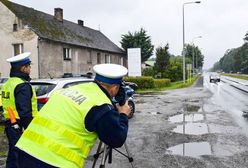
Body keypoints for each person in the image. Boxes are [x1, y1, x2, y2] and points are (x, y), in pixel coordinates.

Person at [16, 63, 131, 168]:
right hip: (56, 162)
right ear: (115, 88)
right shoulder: (101, 105)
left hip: (24, 150)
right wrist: (123, 114)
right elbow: (117, 139)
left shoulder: (71, 89)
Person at [1, 52, 38, 168]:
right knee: (20, 156)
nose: (30, 69)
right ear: (23, 68)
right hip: (20, 124)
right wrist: (30, 127)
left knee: (13, 153)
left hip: (10, 124)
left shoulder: (8, 83)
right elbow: (24, 110)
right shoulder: (22, 85)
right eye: (29, 66)